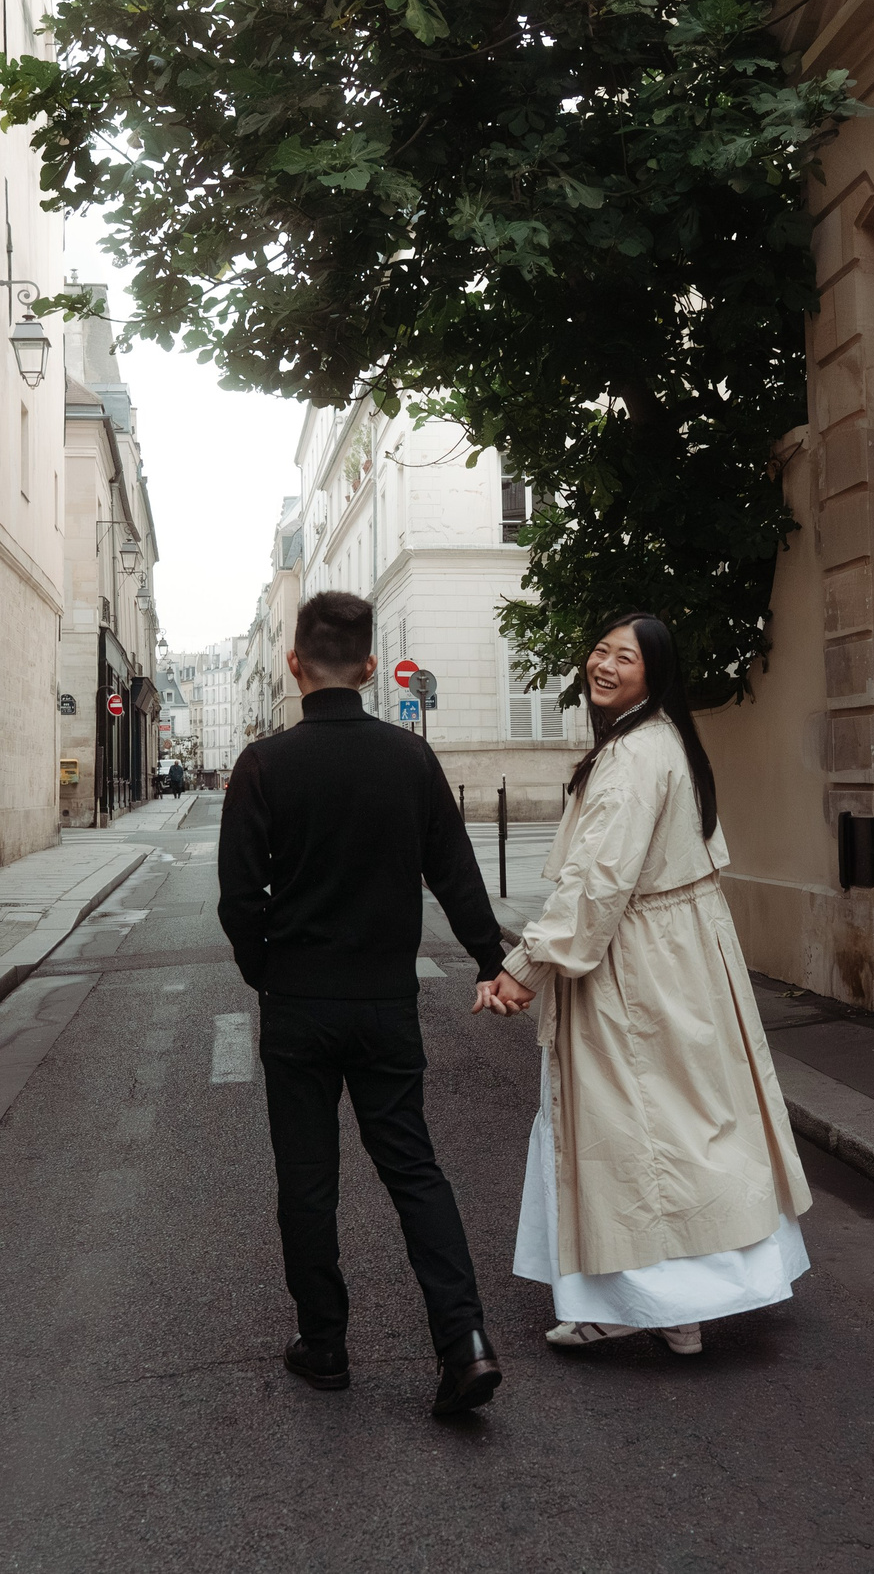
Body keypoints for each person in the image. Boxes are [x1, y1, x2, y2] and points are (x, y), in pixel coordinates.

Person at [477, 614, 813, 1355]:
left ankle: (654, 1303)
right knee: (686, 1123)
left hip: (634, 963)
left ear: (652, 673)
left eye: (623, 657)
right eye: (599, 649)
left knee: (631, 1130)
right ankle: (667, 1301)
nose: (603, 664)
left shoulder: (632, 754)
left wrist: (524, 965)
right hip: (678, 954)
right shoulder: (664, 740)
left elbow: (599, 883)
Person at [217, 591, 509, 1416]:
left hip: (300, 1002)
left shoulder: (264, 765)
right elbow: (454, 871)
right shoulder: (410, 760)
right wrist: (491, 957)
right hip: (387, 1002)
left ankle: (326, 1342)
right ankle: (464, 1341)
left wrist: (265, 968)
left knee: (307, 1179)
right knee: (413, 1168)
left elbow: (238, 898)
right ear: (373, 667)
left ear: (294, 664)